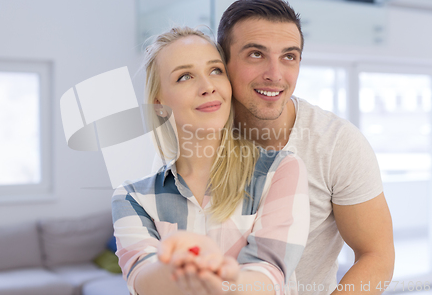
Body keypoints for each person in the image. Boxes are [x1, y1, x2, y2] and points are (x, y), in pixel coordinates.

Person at [111, 26, 310, 295]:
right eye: (185, 77)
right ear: (159, 105)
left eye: (215, 70)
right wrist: (178, 266)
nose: (208, 87)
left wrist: (218, 278)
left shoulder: (280, 171)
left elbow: (269, 276)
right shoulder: (131, 198)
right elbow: (142, 279)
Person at [216, 0, 394, 294]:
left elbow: (377, 254)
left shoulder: (337, 144)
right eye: (256, 54)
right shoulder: (196, 135)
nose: (275, 74)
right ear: (223, 62)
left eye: (289, 56)